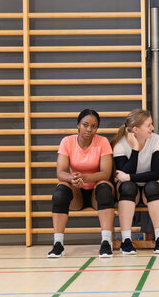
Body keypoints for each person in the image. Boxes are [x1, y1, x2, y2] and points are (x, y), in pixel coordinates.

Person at [48, 109, 115, 258]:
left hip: (95, 192)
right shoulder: (67, 141)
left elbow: (106, 173)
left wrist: (84, 177)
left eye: (94, 126)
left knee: (105, 188)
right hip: (76, 192)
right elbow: (61, 172)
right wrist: (73, 179)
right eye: (85, 125)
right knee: (60, 193)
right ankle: (58, 244)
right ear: (78, 125)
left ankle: (105, 242)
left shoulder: (102, 142)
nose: (89, 129)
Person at [111, 109, 159, 255]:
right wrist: (135, 149)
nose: (153, 128)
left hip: (152, 182)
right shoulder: (120, 144)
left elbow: (156, 173)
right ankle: (126, 241)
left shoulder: (157, 140)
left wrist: (129, 177)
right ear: (136, 129)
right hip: (131, 188)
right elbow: (123, 174)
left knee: (152, 187)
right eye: (149, 125)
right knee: (127, 188)